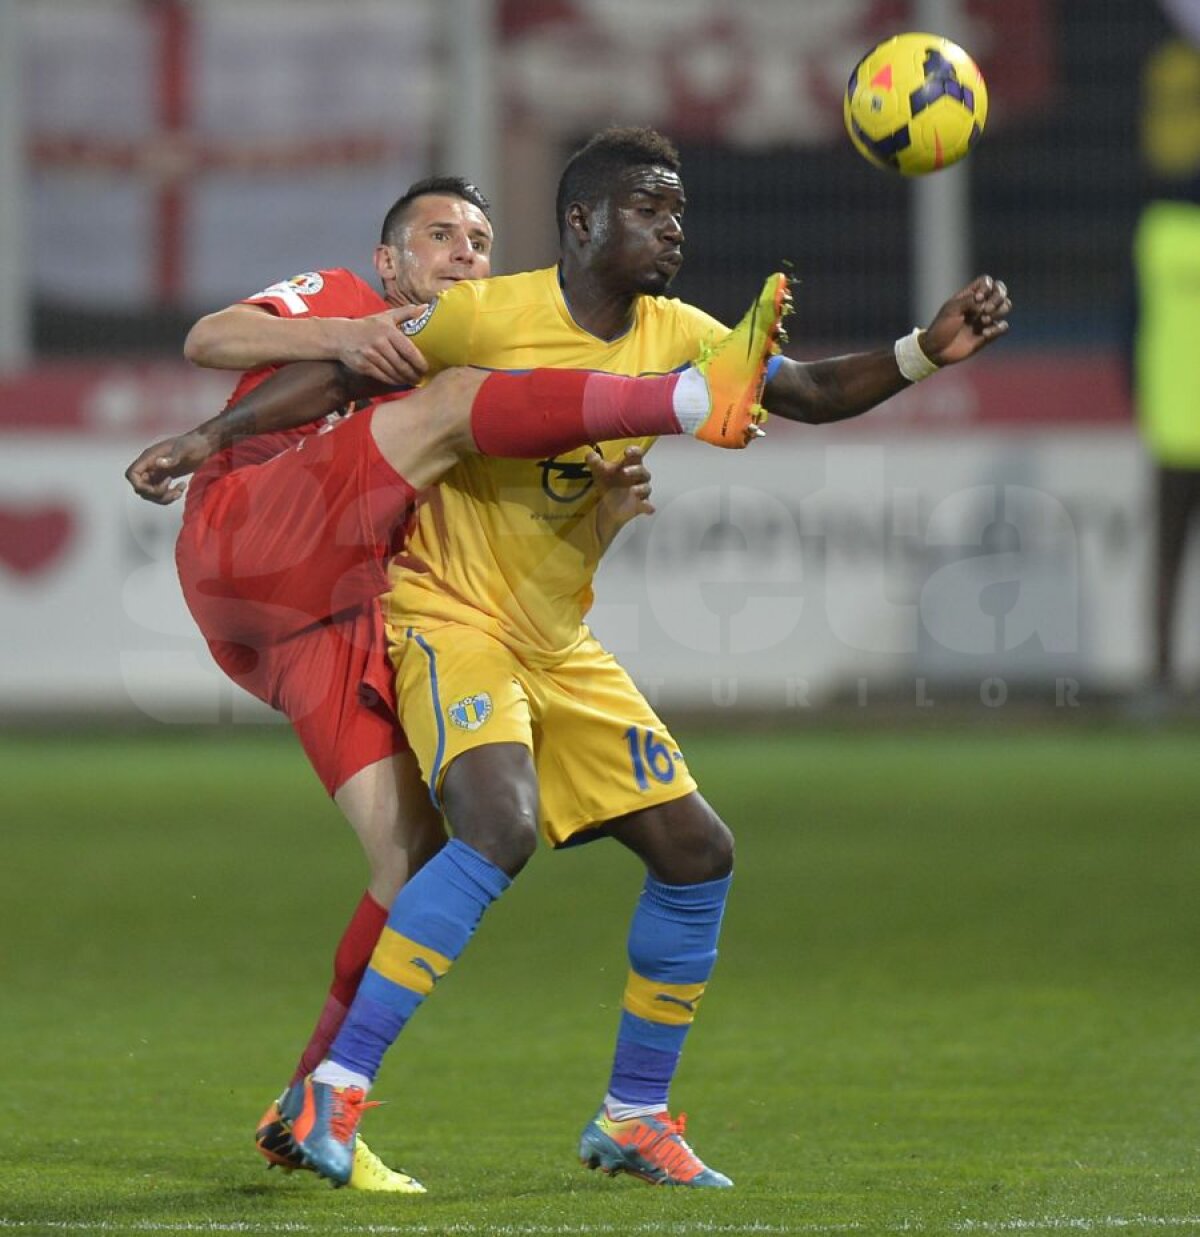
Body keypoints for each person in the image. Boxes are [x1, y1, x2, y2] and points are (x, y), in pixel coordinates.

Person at [235, 126, 1011, 1191]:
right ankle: (338, 1086)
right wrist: (202, 442)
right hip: (448, 613)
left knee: (698, 852)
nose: (674, 231)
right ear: (583, 222)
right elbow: (338, 377)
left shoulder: (680, 331)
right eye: (653, 211)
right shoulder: (482, 312)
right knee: (494, 826)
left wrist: (924, 349)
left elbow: (811, 393)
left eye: (680, 213)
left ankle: (633, 1114)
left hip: (558, 640)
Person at [125, 174, 789, 1189]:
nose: (463, 254)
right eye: (438, 236)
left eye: (479, 239)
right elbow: (211, 337)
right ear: (388, 260)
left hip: (331, 610)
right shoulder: (349, 300)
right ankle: (689, 402)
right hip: (254, 531)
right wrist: (345, 340)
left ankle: (315, 1099)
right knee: (454, 403)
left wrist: (601, 513)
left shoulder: (473, 329)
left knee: (410, 855)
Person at [1131, 37, 1200, 707]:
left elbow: (1131, 328)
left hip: (1174, 423)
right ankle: (1158, 678)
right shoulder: (1160, 232)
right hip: (1177, 424)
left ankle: (1159, 681)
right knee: (1170, 558)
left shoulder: (1157, 233)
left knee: (1169, 559)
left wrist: (1138, 395)